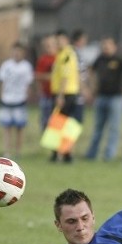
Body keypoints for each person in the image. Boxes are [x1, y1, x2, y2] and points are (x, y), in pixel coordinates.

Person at [85, 37, 122, 161]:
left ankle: (109, 155)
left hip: (116, 97)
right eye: (104, 45)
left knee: (114, 127)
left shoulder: (120, 59)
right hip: (101, 96)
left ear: (114, 46)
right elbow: (91, 72)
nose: (106, 47)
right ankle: (92, 154)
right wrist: (92, 87)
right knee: (98, 127)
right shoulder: (100, 59)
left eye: (108, 45)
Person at [0, 42, 34, 159]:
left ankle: (18, 152)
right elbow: (1, 82)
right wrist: (1, 95)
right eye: (15, 51)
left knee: (20, 128)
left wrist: (28, 96)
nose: (16, 53)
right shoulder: (6, 65)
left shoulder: (26, 66)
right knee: (7, 127)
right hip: (7, 100)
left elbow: (29, 84)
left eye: (19, 51)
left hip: (20, 100)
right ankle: (7, 151)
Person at [50, 29, 81, 163]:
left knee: (61, 125)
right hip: (64, 93)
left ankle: (65, 154)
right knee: (59, 125)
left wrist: (60, 96)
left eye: (60, 40)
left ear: (66, 40)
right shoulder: (61, 53)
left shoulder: (67, 54)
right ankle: (60, 153)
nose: (58, 43)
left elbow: (65, 76)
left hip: (66, 94)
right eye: (56, 40)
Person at [35, 34, 58, 133]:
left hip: (57, 94)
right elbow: (38, 76)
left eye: (50, 45)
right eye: (46, 45)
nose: (48, 47)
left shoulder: (60, 58)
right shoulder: (43, 59)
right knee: (45, 119)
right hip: (46, 94)